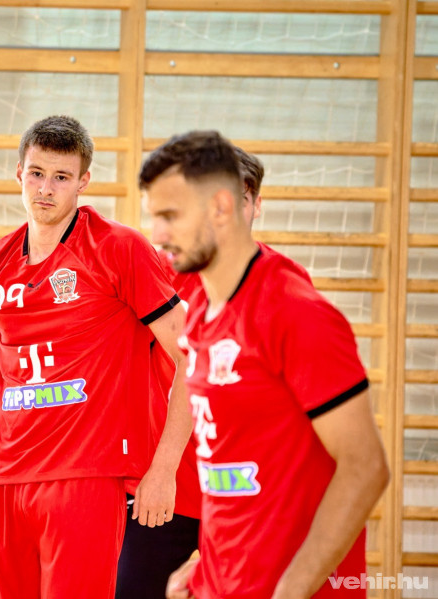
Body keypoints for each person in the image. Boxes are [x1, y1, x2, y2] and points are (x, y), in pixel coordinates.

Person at [139, 130, 389, 599]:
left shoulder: (295, 312)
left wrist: (291, 588)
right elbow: (237, 470)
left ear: (221, 206)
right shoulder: (202, 314)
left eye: (171, 216)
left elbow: (366, 467)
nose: (158, 235)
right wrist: (209, 567)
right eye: (155, 217)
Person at [0, 115, 192, 599]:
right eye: (36, 173)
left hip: (85, 477)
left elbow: (191, 357)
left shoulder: (118, 248)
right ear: (19, 173)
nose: (45, 189)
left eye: (61, 177)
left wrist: (163, 469)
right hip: (7, 482)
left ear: (83, 182)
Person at [116, 146, 266, 599]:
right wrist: (156, 470)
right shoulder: (162, 273)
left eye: (240, 200)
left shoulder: (283, 285)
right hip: (165, 492)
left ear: (257, 205)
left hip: (247, 496)